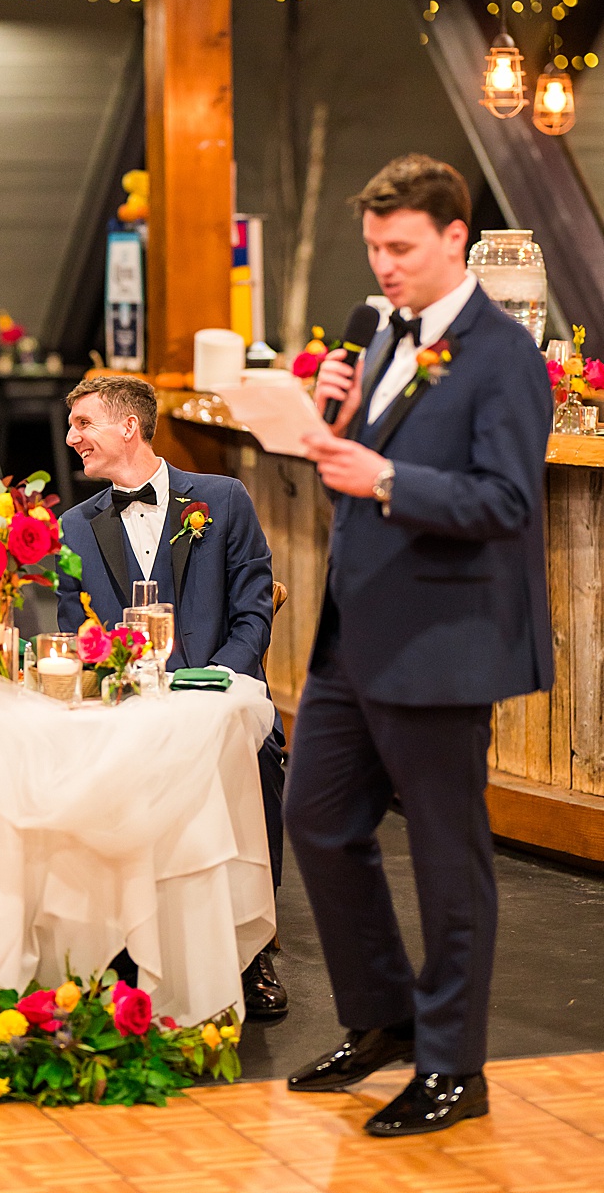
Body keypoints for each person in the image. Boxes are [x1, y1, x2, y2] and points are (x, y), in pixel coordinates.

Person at [288, 154, 552, 1136]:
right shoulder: (382, 333)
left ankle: (452, 1066)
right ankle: (383, 1016)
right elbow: (351, 476)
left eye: (400, 247)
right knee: (314, 816)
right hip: (354, 629)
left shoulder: (500, 355)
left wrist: (387, 478)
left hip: (442, 636)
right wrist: (333, 426)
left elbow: (507, 499)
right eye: (372, 248)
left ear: (454, 237)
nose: (384, 266)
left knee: (448, 856)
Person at [55, 374, 287, 1020]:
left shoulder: (222, 499)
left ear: (128, 426)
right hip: (128, 702)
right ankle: (123, 940)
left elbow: (252, 614)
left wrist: (216, 681)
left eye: (83, 424)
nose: (73, 439)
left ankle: (253, 945)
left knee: (259, 753)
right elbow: (77, 632)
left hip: (220, 692)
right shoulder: (75, 527)